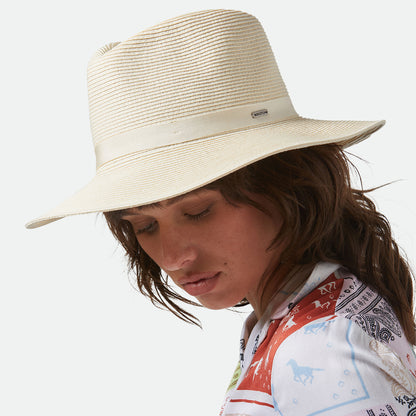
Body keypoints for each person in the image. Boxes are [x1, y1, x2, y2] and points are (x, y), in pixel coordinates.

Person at [26, 9, 416, 416]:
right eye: (145, 225)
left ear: (285, 185)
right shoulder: (307, 313)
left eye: (198, 212)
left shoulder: (320, 349)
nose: (173, 257)